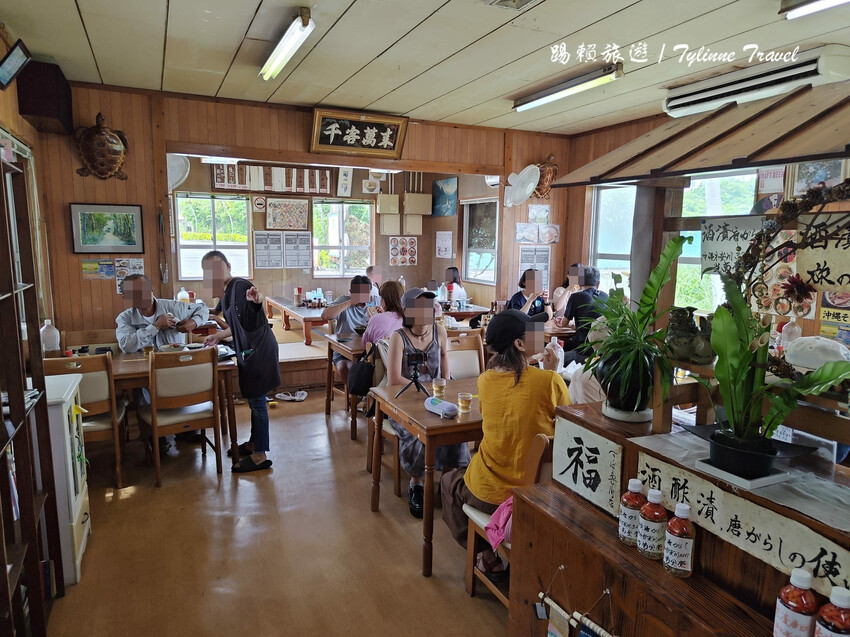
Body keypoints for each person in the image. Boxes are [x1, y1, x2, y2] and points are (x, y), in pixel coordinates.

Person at [441, 309, 569, 577]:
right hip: (539, 494)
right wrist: (552, 373)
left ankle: (488, 554)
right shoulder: (549, 381)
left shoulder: (485, 380)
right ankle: (496, 550)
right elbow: (567, 427)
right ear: (520, 344)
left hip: (490, 494)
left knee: (449, 480)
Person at [387, 287, 470, 518]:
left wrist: (442, 389)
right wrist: (425, 391)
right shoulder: (398, 337)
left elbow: (445, 369)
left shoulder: (439, 331)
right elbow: (394, 379)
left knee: (456, 429)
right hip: (405, 400)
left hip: (436, 399)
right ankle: (417, 483)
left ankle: (449, 482)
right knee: (420, 435)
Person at [202, 250, 279, 473]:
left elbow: (255, 303)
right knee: (254, 400)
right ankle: (254, 443)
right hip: (248, 349)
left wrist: (258, 300)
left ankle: (260, 455)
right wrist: (218, 336)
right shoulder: (225, 293)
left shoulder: (240, 286)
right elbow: (236, 326)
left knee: (258, 402)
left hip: (260, 349)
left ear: (228, 266)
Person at [116, 274, 209, 353]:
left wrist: (193, 322)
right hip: (144, 364)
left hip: (176, 361)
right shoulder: (125, 318)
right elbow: (126, 346)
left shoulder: (173, 307)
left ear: (151, 290)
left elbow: (203, 308)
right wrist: (156, 326)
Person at [322, 275, 371, 387]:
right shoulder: (343, 300)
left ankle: (368, 394)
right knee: (346, 367)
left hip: (366, 349)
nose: (362, 297)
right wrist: (350, 302)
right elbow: (325, 315)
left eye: (366, 293)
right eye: (359, 293)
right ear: (351, 291)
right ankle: (355, 394)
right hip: (343, 350)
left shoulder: (374, 301)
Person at [561, 265, 608, 364]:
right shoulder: (606, 296)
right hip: (602, 353)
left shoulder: (575, 296)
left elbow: (563, 324)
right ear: (598, 283)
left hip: (582, 352)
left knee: (554, 358)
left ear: (580, 283)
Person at [361, 280, 404, 346]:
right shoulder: (408, 318)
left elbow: (365, 342)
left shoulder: (375, 319)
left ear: (385, 299)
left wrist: (371, 319)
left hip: (383, 353)